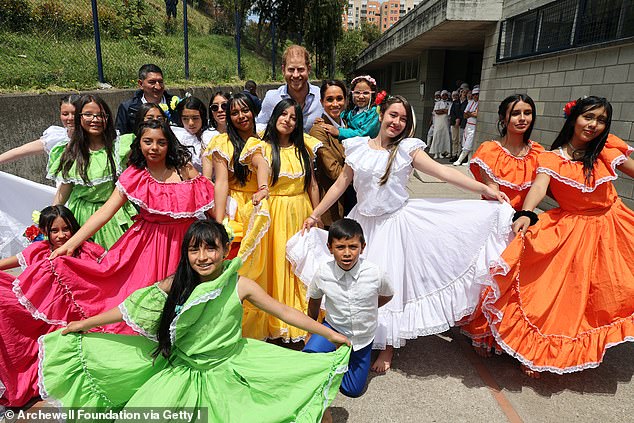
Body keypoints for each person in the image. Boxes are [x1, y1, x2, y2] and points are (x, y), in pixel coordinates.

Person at [38, 220, 351, 422]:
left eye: (211, 248)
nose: (203, 256)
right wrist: (85, 324)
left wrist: (330, 334)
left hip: (232, 363)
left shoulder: (239, 284)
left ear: (225, 250)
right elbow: (128, 309)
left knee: (289, 397)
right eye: (194, 249)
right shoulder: (175, 284)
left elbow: (285, 312)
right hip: (185, 371)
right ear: (186, 253)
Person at [287, 94, 514, 373]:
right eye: (393, 115)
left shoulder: (407, 149)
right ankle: (351, 337)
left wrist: (485, 190)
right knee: (353, 283)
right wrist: (314, 214)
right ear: (381, 115)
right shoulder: (357, 147)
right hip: (361, 225)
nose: (397, 122)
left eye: (403, 118)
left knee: (387, 285)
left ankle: (388, 347)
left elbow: (443, 173)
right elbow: (339, 186)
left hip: (394, 226)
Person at [466, 96, 634, 378]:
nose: (593, 125)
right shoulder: (550, 158)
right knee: (565, 295)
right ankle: (541, 348)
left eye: (601, 120)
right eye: (588, 117)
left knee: (611, 290)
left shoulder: (605, 149)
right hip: (572, 231)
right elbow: (539, 187)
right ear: (573, 119)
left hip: (613, 225)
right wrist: (527, 213)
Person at [14, 120, 214, 337]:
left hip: (187, 244)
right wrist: (70, 245)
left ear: (169, 144)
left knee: (189, 302)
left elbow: (212, 206)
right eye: (148, 141)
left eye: (161, 142)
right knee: (142, 300)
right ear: (139, 143)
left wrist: (221, 235)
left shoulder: (184, 169)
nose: (154, 148)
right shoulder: (135, 174)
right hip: (148, 248)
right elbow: (104, 212)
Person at [0, 205, 105, 407]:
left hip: (78, 313)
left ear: (74, 227)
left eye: (66, 229)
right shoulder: (39, 250)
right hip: (39, 313)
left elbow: (108, 272)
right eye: (54, 231)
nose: (61, 235)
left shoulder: (88, 250)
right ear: (44, 232)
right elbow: (9, 262)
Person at [240, 98, 322, 342]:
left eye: (293, 117)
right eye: (283, 114)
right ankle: (274, 322)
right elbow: (261, 166)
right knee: (275, 264)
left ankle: (302, 323)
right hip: (275, 214)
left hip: (301, 212)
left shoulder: (304, 148)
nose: (287, 120)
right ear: (275, 116)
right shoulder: (260, 147)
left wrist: (316, 215)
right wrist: (263, 187)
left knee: (299, 266)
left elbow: (313, 185)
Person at [302, 218, 393, 421]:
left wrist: (370, 308)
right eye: (340, 247)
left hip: (362, 337)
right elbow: (314, 301)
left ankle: (345, 360)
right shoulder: (323, 273)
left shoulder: (375, 273)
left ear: (363, 247)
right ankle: (333, 356)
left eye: (353, 246)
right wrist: (311, 330)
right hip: (333, 330)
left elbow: (388, 294)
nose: (346, 252)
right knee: (308, 357)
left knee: (352, 390)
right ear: (329, 247)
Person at [47, 94, 137, 248]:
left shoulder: (121, 146)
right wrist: (50, 219)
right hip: (80, 215)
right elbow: (65, 188)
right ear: (79, 117)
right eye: (88, 114)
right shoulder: (70, 151)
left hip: (114, 214)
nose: (95, 119)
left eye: (100, 115)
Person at [202, 93, 268, 260]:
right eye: (234, 113)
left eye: (245, 110)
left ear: (253, 111)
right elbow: (221, 182)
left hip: (264, 203)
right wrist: (219, 220)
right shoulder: (222, 142)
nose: (241, 116)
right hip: (236, 206)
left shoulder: (265, 137)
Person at [468, 94, 545, 211]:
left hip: (526, 219)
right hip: (495, 216)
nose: (523, 118)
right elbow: (493, 191)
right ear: (503, 119)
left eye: (528, 113)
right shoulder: (489, 151)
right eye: (515, 113)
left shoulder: (538, 152)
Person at [310, 80, 357, 226]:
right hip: (333, 207)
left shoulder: (348, 126)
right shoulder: (318, 131)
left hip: (353, 199)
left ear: (346, 99)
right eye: (329, 99)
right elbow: (333, 170)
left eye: (339, 98)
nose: (335, 104)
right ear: (321, 102)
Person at [257, 45, 323, 132]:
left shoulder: (321, 97)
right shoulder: (272, 98)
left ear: (309, 69)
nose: (296, 75)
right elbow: (260, 127)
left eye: (300, 69)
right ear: (283, 70)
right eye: (291, 70)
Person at [0, 94, 79, 165]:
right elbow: (19, 151)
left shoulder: (90, 138)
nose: (70, 118)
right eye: (65, 114)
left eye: (74, 114)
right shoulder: (56, 137)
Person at [115, 64, 179, 134]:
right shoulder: (128, 108)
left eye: (160, 82)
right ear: (140, 84)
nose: (158, 87)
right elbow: (120, 137)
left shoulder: (177, 105)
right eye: (152, 82)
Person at [318, 75, 380, 141]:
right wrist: (322, 120)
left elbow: (364, 133)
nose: (361, 96)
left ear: (372, 94)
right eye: (357, 92)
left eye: (366, 93)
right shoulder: (351, 111)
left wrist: (339, 132)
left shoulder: (374, 113)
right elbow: (338, 118)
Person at [172, 95, 214, 172]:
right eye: (185, 119)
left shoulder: (211, 134)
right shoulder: (176, 136)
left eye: (195, 118)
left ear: (202, 117)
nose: (191, 123)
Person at [454, 87, 479, 165]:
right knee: (465, 142)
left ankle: (459, 160)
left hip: (474, 126)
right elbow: (464, 115)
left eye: (477, 94)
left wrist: (470, 113)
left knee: (469, 143)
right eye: (474, 95)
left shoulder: (480, 103)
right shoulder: (470, 102)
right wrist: (471, 113)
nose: (475, 96)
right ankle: (469, 161)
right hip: (468, 125)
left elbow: (476, 114)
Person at [429, 90, 451, 159]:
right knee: (437, 136)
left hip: (445, 122)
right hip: (438, 122)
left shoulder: (449, 103)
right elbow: (436, 111)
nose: (444, 96)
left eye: (446, 95)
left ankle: (441, 152)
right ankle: (436, 152)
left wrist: (443, 111)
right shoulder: (438, 103)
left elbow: (449, 112)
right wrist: (444, 111)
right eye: (443, 95)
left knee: (444, 136)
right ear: (441, 96)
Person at [448, 90, 462, 161]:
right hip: (453, 123)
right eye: (454, 95)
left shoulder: (460, 103)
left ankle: (458, 155)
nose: (455, 96)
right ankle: (454, 154)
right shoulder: (453, 103)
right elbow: (451, 113)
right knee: (454, 140)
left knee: (459, 140)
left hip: (459, 124)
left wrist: (458, 119)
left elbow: (461, 112)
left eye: (457, 95)